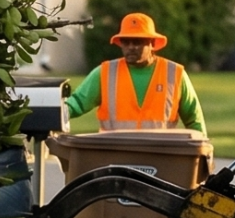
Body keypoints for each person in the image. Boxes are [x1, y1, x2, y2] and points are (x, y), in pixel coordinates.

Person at [65, 12, 206, 133]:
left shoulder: (175, 74)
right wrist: (51, 113)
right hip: (116, 155)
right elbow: (76, 104)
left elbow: (194, 120)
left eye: (137, 41)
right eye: (126, 42)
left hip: (160, 156)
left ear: (152, 44)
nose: (131, 47)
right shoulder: (104, 73)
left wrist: (203, 154)